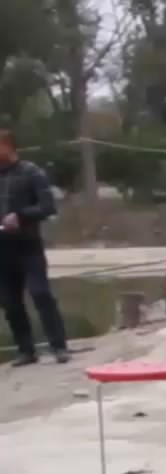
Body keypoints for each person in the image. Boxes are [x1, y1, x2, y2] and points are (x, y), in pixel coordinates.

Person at [0, 129, 71, 367]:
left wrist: (20, 216)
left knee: (40, 293)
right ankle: (26, 350)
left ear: (8, 147)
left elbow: (48, 206)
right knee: (10, 302)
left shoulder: (31, 172)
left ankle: (59, 346)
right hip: (2, 249)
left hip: (28, 245)